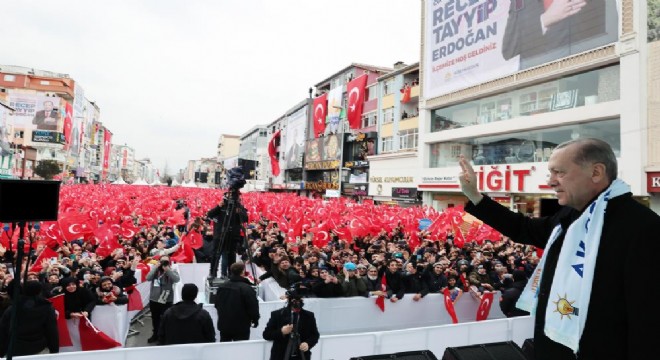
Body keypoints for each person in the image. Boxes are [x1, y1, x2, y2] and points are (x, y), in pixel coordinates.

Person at [458, 138, 660, 359]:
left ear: (596, 172)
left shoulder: (643, 228)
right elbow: (524, 228)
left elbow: (648, 321)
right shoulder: (571, 215)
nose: (551, 181)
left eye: (559, 172)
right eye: (550, 173)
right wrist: (475, 197)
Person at [501, 0, 610, 69]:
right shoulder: (520, 2)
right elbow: (508, 50)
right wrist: (545, 19)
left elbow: (609, 30)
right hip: (537, 81)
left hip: (582, 71)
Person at [0, 281, 59, 357]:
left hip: (16, 349)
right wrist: (54, 351)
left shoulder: (13, 308)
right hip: (39, 349)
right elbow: (52, 330)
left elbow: (3, 330)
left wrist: (1, 352)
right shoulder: (46, 307)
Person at [262, 290, 320, 360]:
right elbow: (266, 334)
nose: (297, 303)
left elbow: (315, 335)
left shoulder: (309, 316)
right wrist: (281, 332)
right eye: (295, 300)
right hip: (280, 356)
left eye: (300, 300)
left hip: (302, 356)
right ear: (289, 300)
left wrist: (308, 343)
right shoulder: (277, 314)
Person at [206, 188, 248, 279]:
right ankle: (212, 273)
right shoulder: (222, 205)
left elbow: (245, 219)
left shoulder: (239, 207)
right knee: (215, 255)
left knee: (231, 256)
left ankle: (230, 274)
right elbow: (209, 214)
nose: (231, 196)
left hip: (232, 236)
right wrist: (218, 206)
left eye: (234, 194)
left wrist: (239, 212)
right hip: (219, 235)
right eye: (230, 194)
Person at [214, 262, 260, 342]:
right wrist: (255, 319)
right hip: (241, 326)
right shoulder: (247, 288)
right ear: (243, 271)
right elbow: (253, 306)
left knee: (224, 349)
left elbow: (217, 304)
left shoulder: (222, 287)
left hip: (224, 324)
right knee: (240, 350)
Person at [145, 255, 180, 343]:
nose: (163, 263)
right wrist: (155, 267)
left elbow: (177, 279)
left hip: (167, 299)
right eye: (162, 261)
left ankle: (164, 336)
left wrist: (167, 270)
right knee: (155, 318)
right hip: (154, 299)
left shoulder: (172, 270)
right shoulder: (155, 270)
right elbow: (148, 278)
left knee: (166, 319)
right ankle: (155, 334)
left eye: (166, 261)